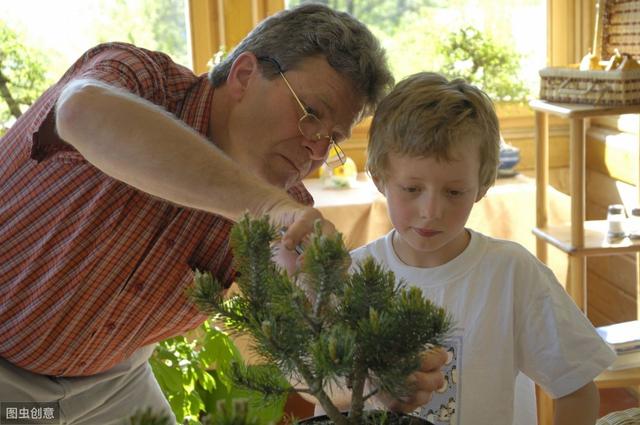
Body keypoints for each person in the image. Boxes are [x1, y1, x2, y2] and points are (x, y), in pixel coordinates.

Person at [0, 4, 445, 424]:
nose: (314, 147)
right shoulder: (140, 79)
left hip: (111, 382)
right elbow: (81, 111)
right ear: (245, 73)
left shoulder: (286, 209)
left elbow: (301, 360)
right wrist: (267, 207)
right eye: (310, 113)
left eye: (331, 139)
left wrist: (365, 380)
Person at [343, 72, 616, 425]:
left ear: (483, 185)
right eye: (411, 188)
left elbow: (576, 388)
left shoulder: (512, 273)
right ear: (379, 177)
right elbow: (330, 397)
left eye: (454, 192)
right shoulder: (350, 277)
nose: (431, 211)